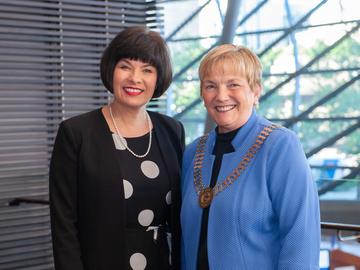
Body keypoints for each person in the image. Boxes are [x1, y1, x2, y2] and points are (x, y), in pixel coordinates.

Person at [49, 26, 185, 270]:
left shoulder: (172, 130)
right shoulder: (76, 133)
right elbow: (64, 224)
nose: (135, 78)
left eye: (147, 70)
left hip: (163, 262)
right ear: (111, 70)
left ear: (158, 78)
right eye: (125, 66)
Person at [181, 44, 320, 270]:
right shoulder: (193, 152)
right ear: (202, 94)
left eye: (233, 84)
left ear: (256, 91)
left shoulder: (280, 146)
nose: (221, 95)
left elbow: (301, 239)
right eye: (210, 86)